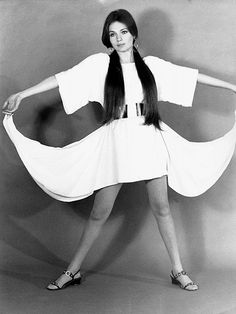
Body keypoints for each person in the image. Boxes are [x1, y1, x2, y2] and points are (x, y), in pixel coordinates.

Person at [2, 9, 236, 292]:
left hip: (149, 137)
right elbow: (63, 78)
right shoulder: (100, 65)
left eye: (123, 32)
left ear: (134, 35)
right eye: (113, 34)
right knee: (100, 211)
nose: (119, 38)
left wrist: (231, 86)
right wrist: (22, 94)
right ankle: (72, 270)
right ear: (108, 40)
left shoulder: (151, 66)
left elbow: (192, 77)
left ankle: (178, 270)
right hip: (116, 141)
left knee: (161, 207)